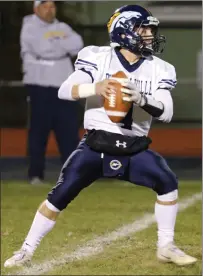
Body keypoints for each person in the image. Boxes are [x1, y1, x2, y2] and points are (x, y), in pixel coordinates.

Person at [5, 4, 197, 268]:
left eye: (151, 30)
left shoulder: (160, 68)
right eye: (144, 29)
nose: (150, 35)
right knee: (58, 196)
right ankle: (26, 250)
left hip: (135, 147)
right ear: (124, 31)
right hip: (96, 145)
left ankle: (166, 246)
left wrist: (141, 98)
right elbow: (65, 90)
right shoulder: (96, 57)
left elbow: (166, 112)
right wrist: (96, 86)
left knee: (167, 182)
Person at [20, 0, 84, 184]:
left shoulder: (63, 26)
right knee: (39, 133)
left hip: (64, 87)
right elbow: (43, 49)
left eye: (52, 6)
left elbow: (77, 44)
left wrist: (54, 44)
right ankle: (35, 175)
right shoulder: (29, 27)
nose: (50, 10)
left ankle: (73, 176)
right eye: (45, 6)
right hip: (40, 87)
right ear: (36, 9)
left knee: (69, 133)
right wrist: (61, 44)